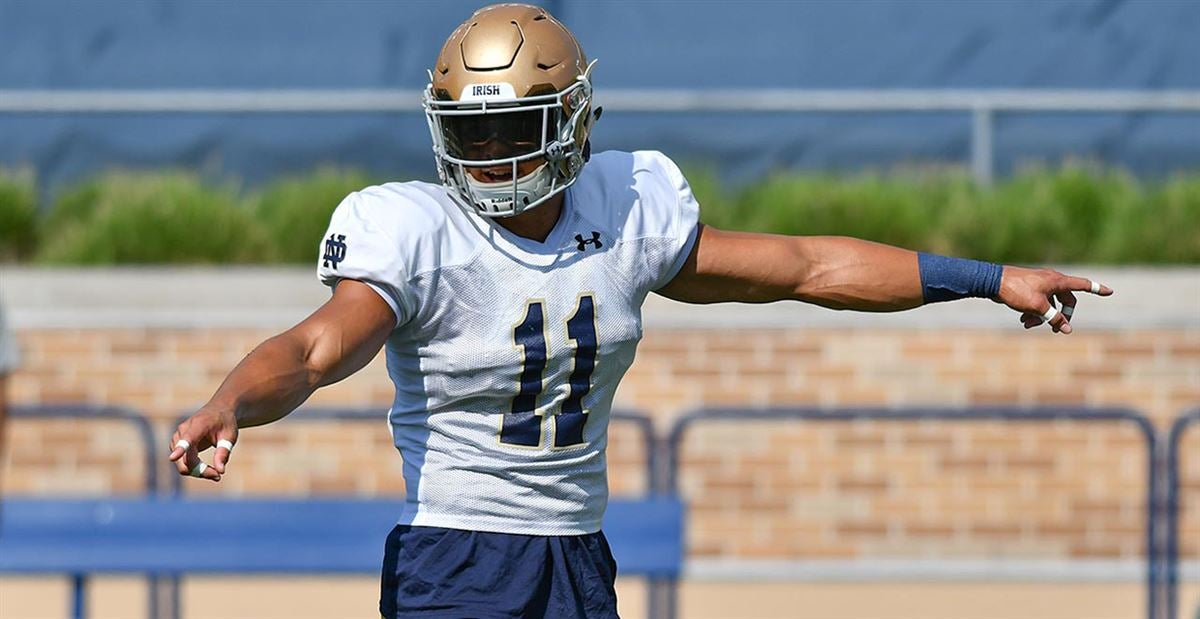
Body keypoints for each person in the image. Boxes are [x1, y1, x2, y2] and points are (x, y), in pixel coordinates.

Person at [169, 4, 1113, 618]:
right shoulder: (415, 229)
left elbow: (808, 264)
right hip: (457, 556)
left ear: (572, 122)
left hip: (579, 555)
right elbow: (314, 346)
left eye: (513, 131)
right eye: (473, 133)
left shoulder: (628, 210)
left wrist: (986, 275)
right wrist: (229, 402)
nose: (492, 157)